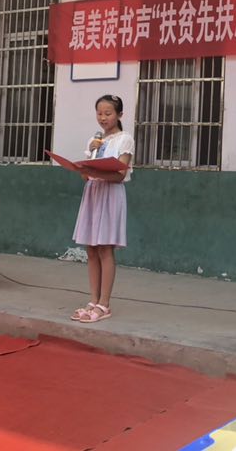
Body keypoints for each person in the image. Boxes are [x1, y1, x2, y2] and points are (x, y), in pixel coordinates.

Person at [70, 94, 134, 324]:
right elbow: (86, 176)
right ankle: (93, 300)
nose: (103, 118)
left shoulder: (125, 139)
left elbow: (120, 175)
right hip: (93, 193)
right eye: (99, 113)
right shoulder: (94, 141)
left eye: (108, 113)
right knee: (91, 249)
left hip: (110, 194)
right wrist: (84, 165)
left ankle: (104, 304)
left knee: (105, 248)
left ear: (119, 115)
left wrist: (95, 172)